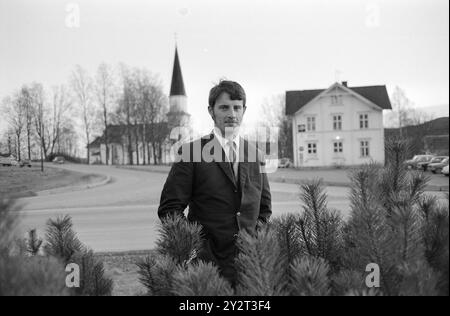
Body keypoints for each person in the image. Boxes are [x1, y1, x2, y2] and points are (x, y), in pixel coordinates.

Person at [158, 80, 272, 286]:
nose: (232, 114)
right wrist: (196, 249)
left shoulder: (256, 155)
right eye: (224, 107)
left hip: (250, 268)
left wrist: (257, 249)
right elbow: (170, 209)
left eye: (237, 107)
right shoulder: (191, 153)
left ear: (244, 110)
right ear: (211, 111)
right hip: (206, 268)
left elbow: (264, 210)